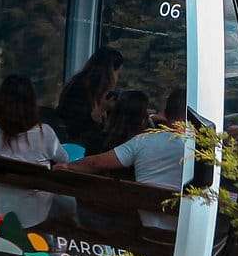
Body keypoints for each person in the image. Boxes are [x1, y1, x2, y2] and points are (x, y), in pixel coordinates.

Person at [58, 88, 189, 230]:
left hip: (140, 229)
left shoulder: (143, 141)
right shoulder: (199, 148)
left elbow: (96, 162)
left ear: (166, 113)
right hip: (182, 232)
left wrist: (67, 166)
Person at [0, 74, 69, 227]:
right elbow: (64, 159)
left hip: (6, 212)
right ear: (32, 103)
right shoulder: (44, 133)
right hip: (41, 215)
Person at [56, 47, 123, 155]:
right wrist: (101, 111)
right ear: (112, 71)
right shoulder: (82, 90)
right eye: (118, 74)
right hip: (76, 148)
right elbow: (79, 126)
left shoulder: (78, 83)